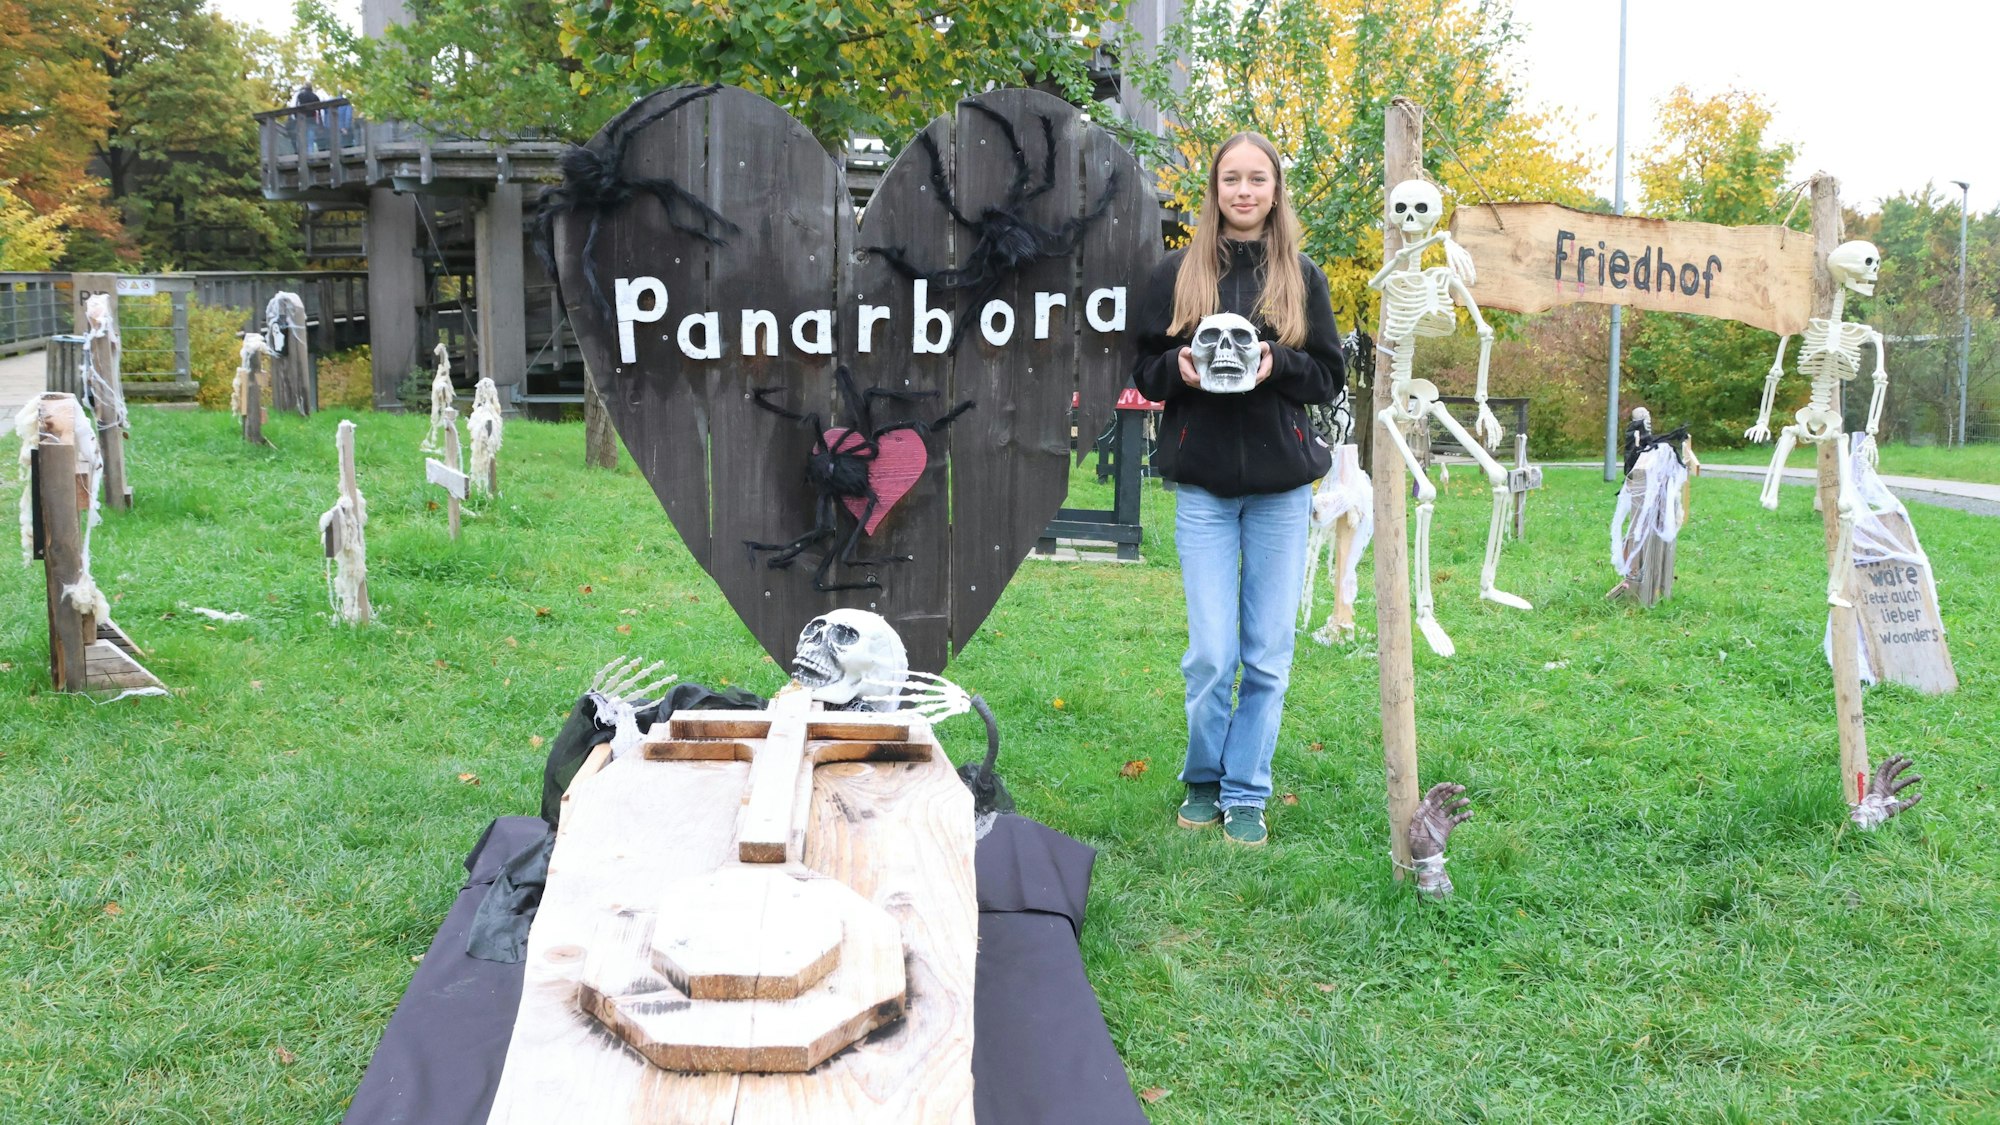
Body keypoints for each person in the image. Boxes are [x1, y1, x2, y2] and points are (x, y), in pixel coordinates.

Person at [1130, 132, 1345, 846]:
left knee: (1268, 651)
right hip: (1205, 488)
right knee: (1212, 653)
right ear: (1215, 190)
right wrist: (1179, 371)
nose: (1245, 191)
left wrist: (1277, 363)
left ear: (1275, 190)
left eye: (1258, 179)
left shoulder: (1301, 274)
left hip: (1282, 491)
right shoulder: (1175, 272)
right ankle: (1202, 776)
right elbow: (1142, 368)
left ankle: (1246, 789)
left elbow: (1328, 375)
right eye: (1231, 179)